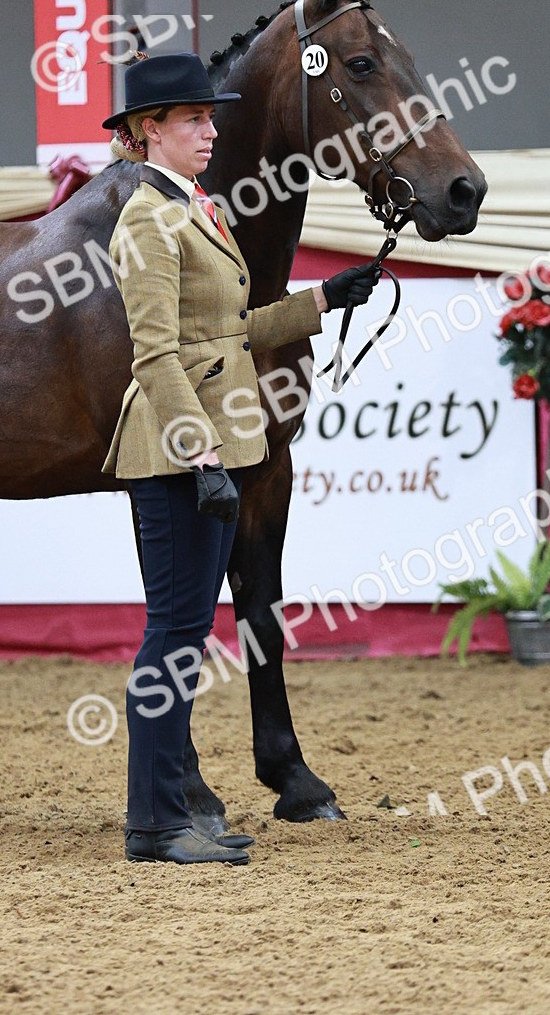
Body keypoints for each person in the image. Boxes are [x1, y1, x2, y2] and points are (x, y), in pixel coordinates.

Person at [100, 52, 378, 865]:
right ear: (149, 131)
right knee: (173, 636)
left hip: (213, 450)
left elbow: (228, 334)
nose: (210, 131)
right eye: (193, 120)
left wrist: (323, 300)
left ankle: (171, 812)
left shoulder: (195, 208)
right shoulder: (148, 220)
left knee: (185, 633)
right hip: (179, 456)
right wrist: (201, 457)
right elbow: (154, 356)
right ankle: (154, 822)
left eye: (210, 118)